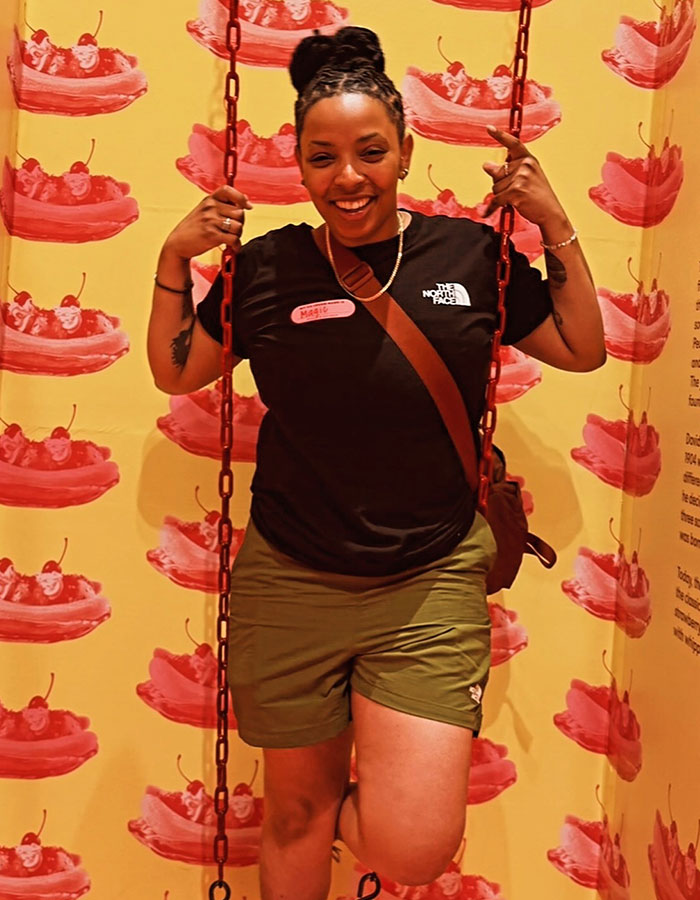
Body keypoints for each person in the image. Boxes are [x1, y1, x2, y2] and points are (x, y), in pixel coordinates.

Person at [147, 25, 605, 900]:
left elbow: (583, 348)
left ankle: (360, 810)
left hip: (426, 585)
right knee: (292, 818)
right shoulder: (269, 267)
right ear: (302, 164)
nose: (346, 176)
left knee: (411, 849)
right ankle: (315, 821)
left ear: (404, 151)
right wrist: (176, 257)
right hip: (291, 578)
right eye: (323, 157)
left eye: (369, 152)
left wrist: (554, 223)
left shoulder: (470, 259)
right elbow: (175, 369)